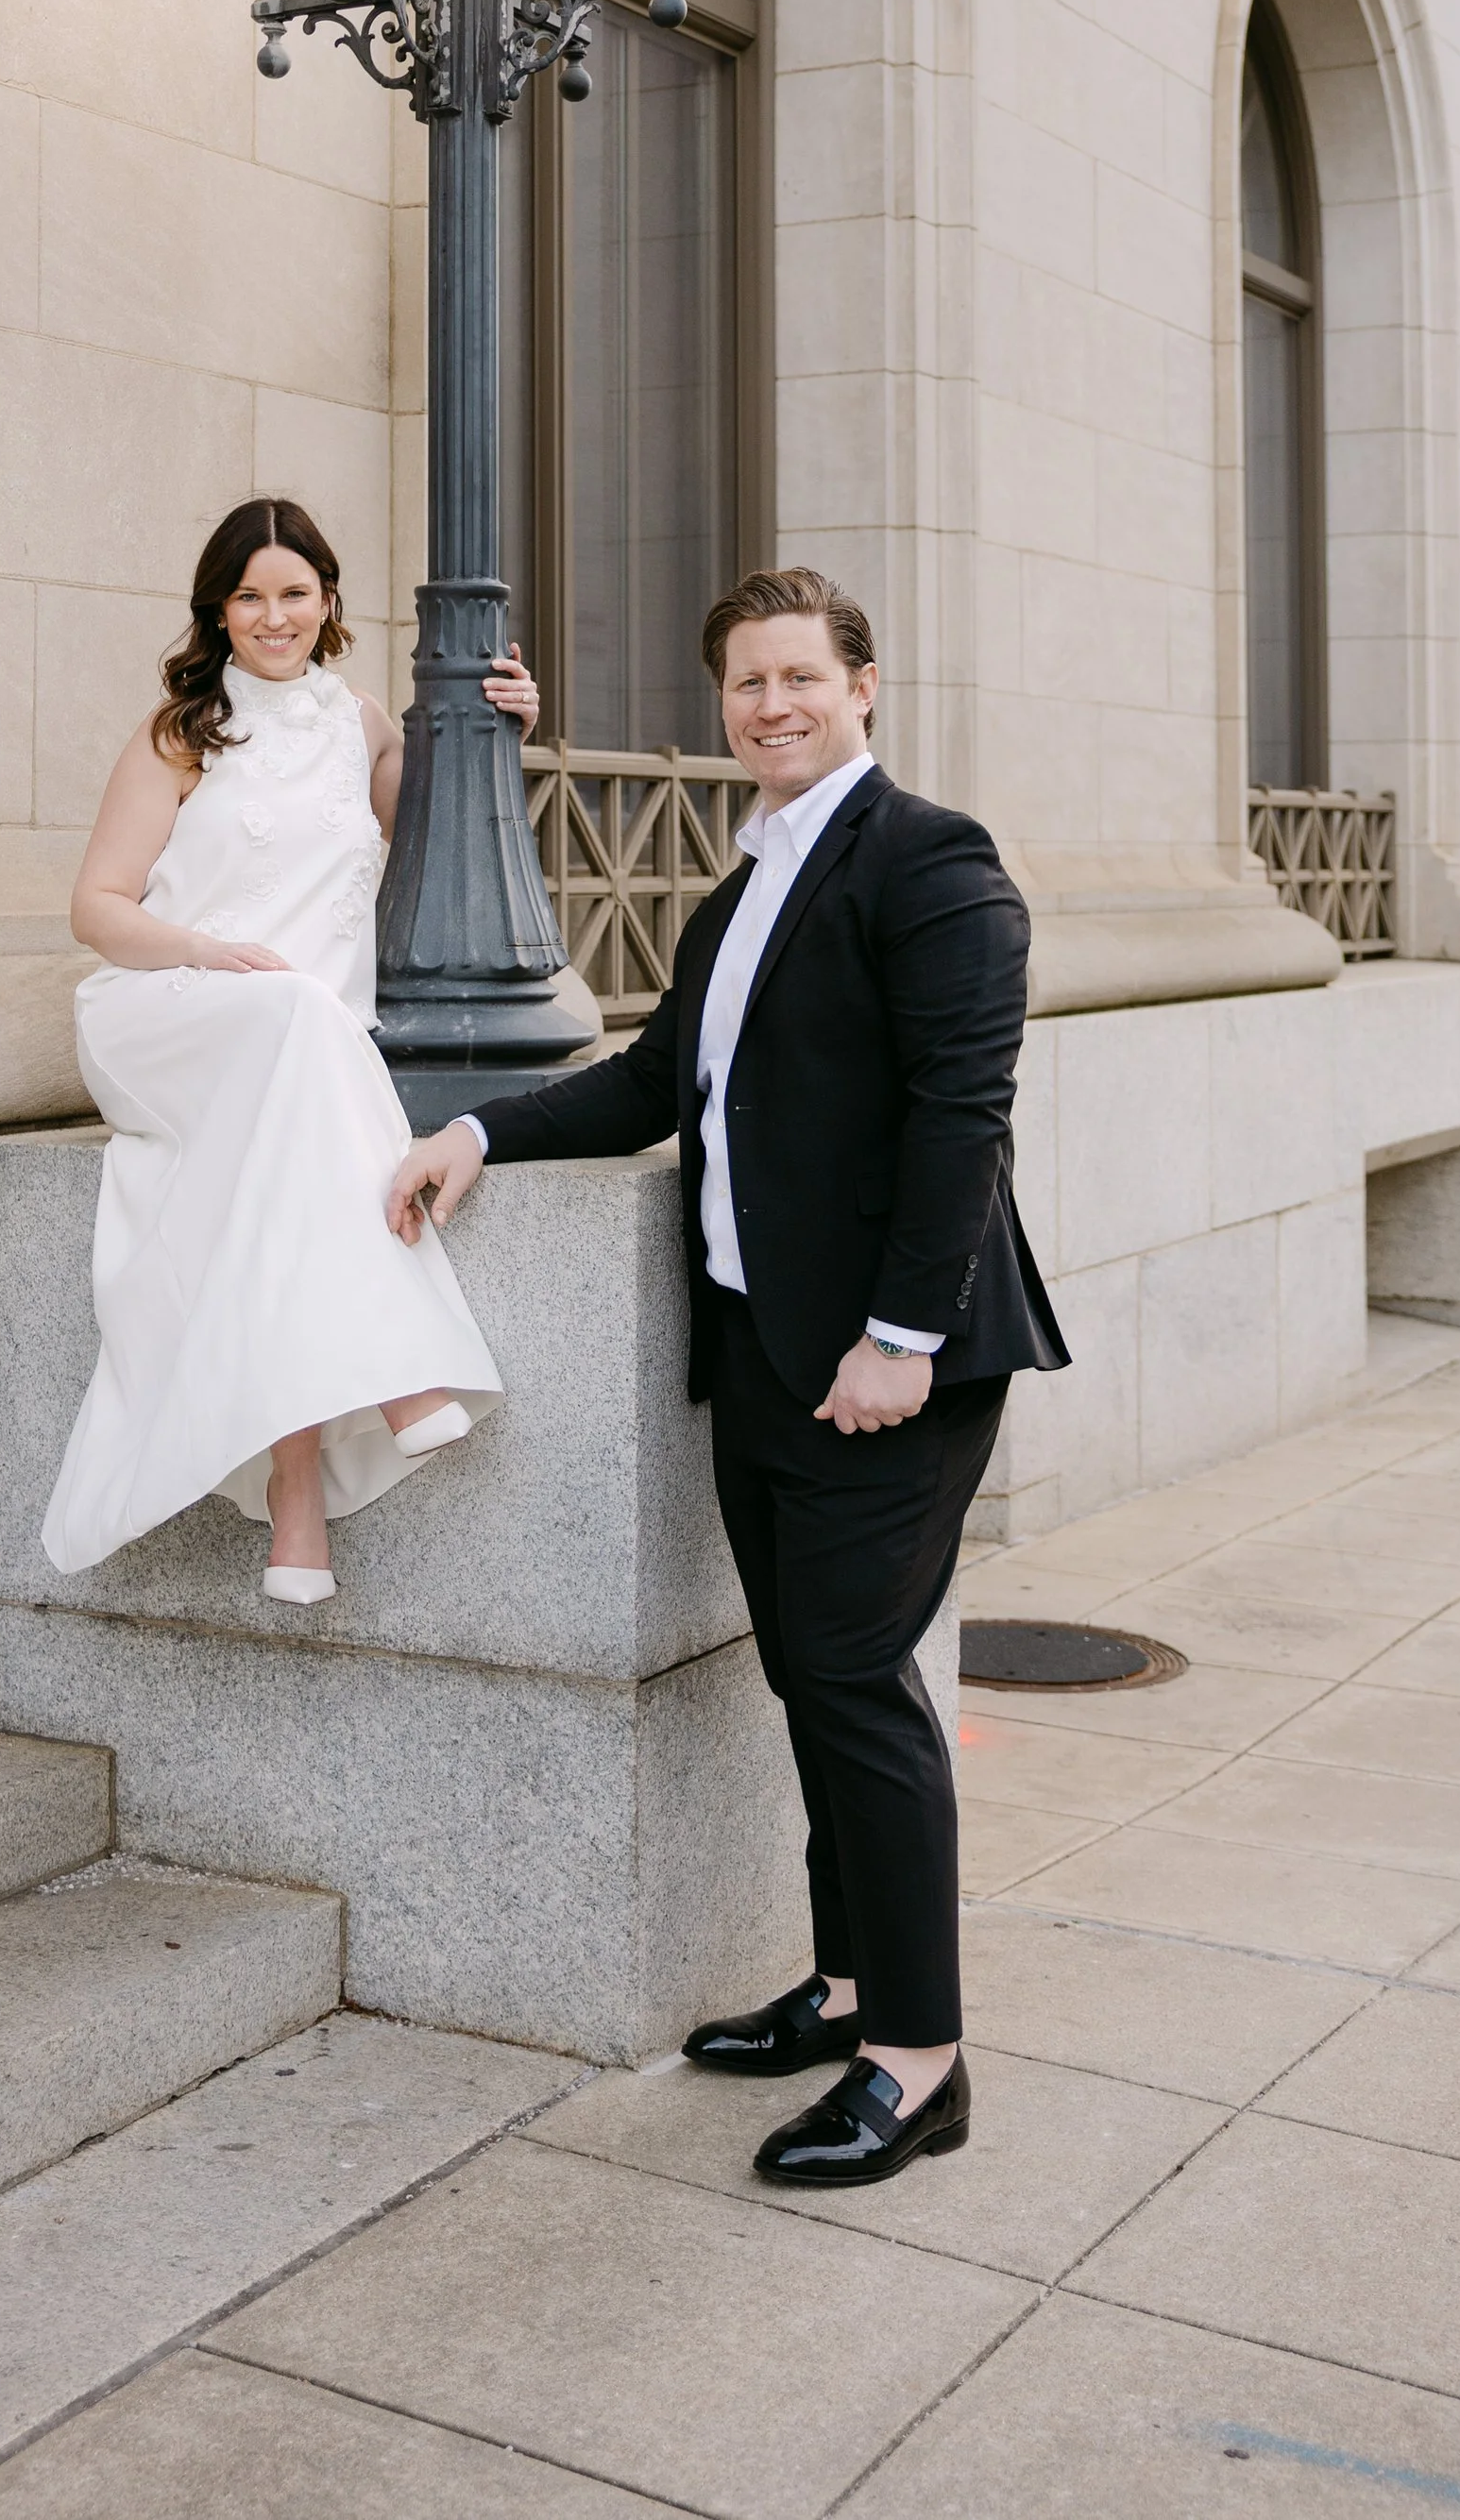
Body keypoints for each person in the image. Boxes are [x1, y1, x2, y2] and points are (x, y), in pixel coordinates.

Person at [388, 566, 1066, 2189]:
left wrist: (898, 1341)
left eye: (800, 678)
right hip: (764, 1355)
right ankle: (846, 1991)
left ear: (865, 685)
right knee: (812, 1685)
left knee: (855, 1688)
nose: (773, 706)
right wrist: (478, 1130)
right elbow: (647, 1083)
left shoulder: (928, 858)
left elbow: (963, 1111)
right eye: (747, 685)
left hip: (886, 1364)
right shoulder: (738, 888)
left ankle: (920, 2060)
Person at [43, 496, 522, 1603]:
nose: (273, 615)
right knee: (304, 1019)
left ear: (328, 599)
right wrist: (207, 951)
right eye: (250, 595)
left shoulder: (360, 727)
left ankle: (295, 1501)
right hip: (167, 1011)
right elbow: (96, 908)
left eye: (293, 592)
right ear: (219, 609)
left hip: (302, 1047)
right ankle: (402, 1369)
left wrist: (505, 723)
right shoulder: (180, 732)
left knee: (286, 1163)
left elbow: (453, 831)